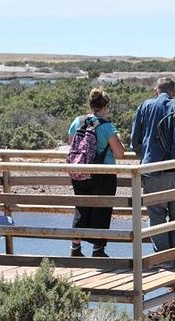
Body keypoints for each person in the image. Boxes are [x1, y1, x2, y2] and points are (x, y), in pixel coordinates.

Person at [130, 76, 175, 264]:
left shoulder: (146, 106)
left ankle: (163, 260)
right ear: (174, 91)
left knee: (157, 215)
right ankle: (174, 259)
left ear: (156, 91)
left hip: (153, 171)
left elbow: (134, 141)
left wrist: (146, 152)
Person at [68, 88, 126, 257]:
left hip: (79, 172)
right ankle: (98, 250)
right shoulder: (107, 126)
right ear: (105, 106)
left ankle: (75, 248)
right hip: (103, 174)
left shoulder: (77, 121)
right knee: (102, 210)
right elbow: (120, 153)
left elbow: (72, 145)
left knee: (82, 208)